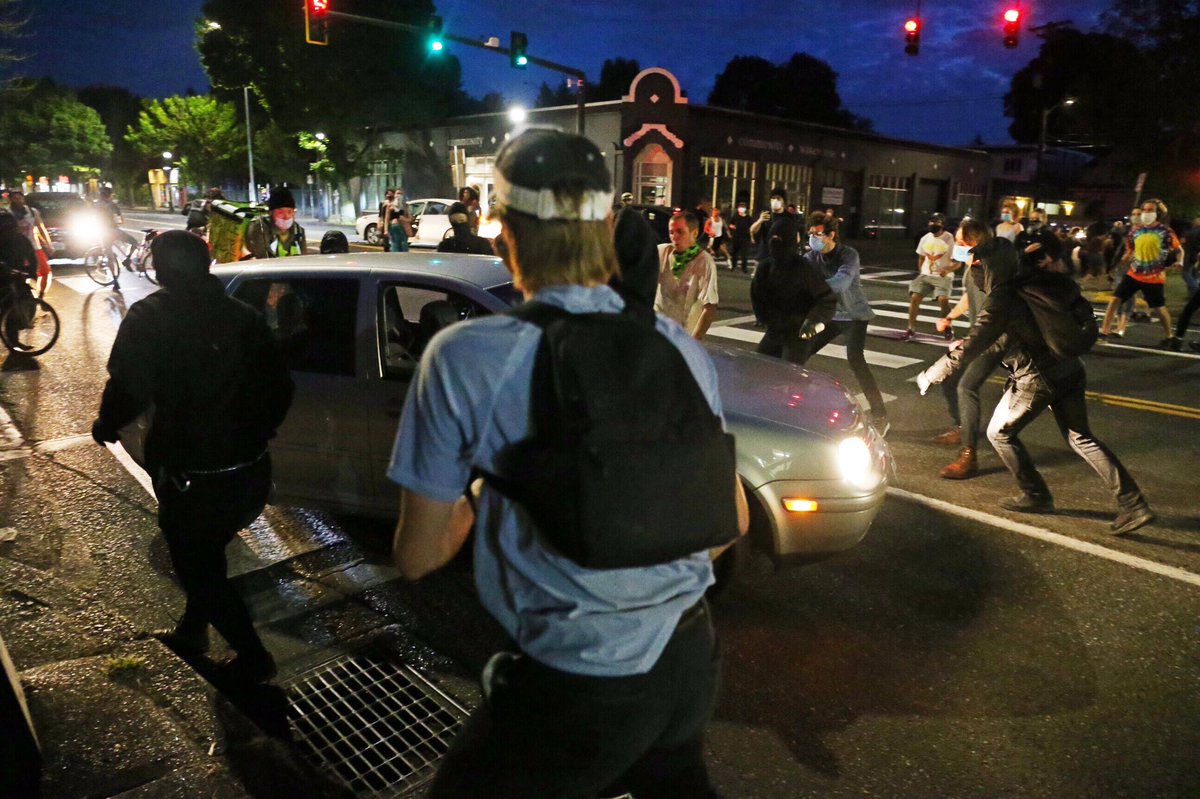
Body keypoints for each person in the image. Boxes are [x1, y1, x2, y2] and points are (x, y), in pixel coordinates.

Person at [388, 127, 748, 799]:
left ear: (503, 232)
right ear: (609, 224)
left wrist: (486, 483)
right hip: (689, 659)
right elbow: (732, 519)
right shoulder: (679, 348)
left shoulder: (467, 358)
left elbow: (418, 552)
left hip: (579, 678)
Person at [92, 230, 294, 681]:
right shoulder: (243, 316)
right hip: (250, 472)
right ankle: (193, 628)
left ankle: (253, 658)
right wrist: (259, 431)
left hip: (193, 474)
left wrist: (106, 424)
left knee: (195, 564)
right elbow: (280, 386)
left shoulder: (150, 317)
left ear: (160, 271)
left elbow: (127, 386)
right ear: (207, 264)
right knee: (208, 552)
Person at [916, 219, 1154, 535]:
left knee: (999, 433)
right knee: (1081, 436)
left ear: (988, 267)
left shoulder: (1003, 296)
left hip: (1037, 378)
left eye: (977, 265)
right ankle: (1134, 504)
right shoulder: (1031, 282)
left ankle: (1035, 494)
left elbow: (979, 341)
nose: (974, 271)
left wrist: (934, 372)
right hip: (1069, 368)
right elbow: (1004, 336)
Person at [930, 226, 1013, 478]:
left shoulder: (992, 269)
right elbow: (969, 296)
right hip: (982, 338)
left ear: (972, 243)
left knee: (966, 386)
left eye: (959, 241)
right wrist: (950, 317)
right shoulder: (972, 266)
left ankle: (969, 456)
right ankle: (962, 426)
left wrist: (967, 342)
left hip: (996, 339)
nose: (955, 245)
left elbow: (994, 314)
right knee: (950, 378)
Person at [797, 211, 889, 432]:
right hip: (828, 316)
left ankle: (880, 415)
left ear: (831, 235)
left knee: (856, 360)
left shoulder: (848, 255)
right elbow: (798, 277)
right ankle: (796, 405)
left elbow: (842, 281)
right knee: (799, 353)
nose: (813, 239)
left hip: (853, 316)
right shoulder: (810, 258)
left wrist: (813, 288)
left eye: (818, 234)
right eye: (810, 234)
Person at [752, 214, 837, 363]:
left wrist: (812, 322)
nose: (776, 244)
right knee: (759, 367)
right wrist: (766, 318)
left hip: (797, 334)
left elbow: (826, 299)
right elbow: (757, 297)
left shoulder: (802, 269)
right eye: (774, 239)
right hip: (774, 331)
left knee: (790, 375)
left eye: (780, 239)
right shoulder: (765, 268)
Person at [1100, 198, 1181, 347]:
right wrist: (1116, 266)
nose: (1145, 213)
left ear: (1158, 213)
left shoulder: (1165, 231)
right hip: (1134, 273)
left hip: (1153, 276)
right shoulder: (1135, 231)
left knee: (1159, 307)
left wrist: (1179, 261)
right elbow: (1129, 251)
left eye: (1150, 210)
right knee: (1115, 300)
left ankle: (1170, 336)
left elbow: (1178, 249)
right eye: (1144, 210)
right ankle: (1104, 331)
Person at [655, 211, 719, 340]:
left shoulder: (704, 262)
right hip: (657, 334)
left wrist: (693, 343)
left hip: (683, 336)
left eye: (680, 232)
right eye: (671, 232)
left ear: (694, 233)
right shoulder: (662, 252)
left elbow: (709, 307)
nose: (674, 237)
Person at [903, 212, 957, 340]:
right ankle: (911, 328)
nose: (933, 224)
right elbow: (921, 257)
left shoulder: (950, 239)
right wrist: (921, 271)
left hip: (944, 276)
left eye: (937, 222)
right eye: (931, 222)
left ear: (943, 224)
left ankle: (948, 326)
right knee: (915, 297)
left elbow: (957, 262)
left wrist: (947, 269)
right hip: (926, 274)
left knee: (943, 299)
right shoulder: (925, 238)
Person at [749, 188, 788, 325]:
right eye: (773, 198)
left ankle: (772, 317)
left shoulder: (787, 218)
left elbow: (795, 237)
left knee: (775, 289)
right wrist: (760, 220)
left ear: (784, 201)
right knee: (758, 289)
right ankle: (759, 317)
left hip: (778, 258)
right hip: (762, 256)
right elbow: (752, 230)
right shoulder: (765, 216)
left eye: (778, 198)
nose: (775, 201)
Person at [7, 190, 52, 297]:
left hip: (34, 247)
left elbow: (40, 228)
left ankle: (40, 295)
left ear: (23, 199)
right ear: (10, 200)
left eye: (20, 198)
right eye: (15, 198)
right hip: (17, 249)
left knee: (45, 272)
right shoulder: (7, 214)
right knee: (21, 275)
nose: (18, 200)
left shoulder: (32, 212)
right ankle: (24, 297)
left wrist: (48, 244)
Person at [243, 186, 307, 259]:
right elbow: (263, 258)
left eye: (289, 212)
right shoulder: (259, 228)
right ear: (270, 213)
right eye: (280, 212)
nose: (286, 217)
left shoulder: (298, 232)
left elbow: (303, 260)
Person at [94, 186, 138, 290]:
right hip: (113, 231)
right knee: (134, 242)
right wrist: (118, 222)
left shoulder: (95, 205)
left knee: (110, 256)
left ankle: (115, 281)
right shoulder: (112, 205)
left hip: (103, 232)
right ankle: (127, 259)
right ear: (109, 195)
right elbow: (121, 219)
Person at [728, 198, 752, 274]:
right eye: (740, 207)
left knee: (744, 254)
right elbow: (730, 224)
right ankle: (733, 266)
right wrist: (732, 227)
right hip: (736, 237)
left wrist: (751, 237)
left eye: (743, 207)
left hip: (745, 237)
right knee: (735, 253)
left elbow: (752, 227)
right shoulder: (735, 216)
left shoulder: (748, 218)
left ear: (745, 209)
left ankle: (744, 268)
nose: (741, 209)